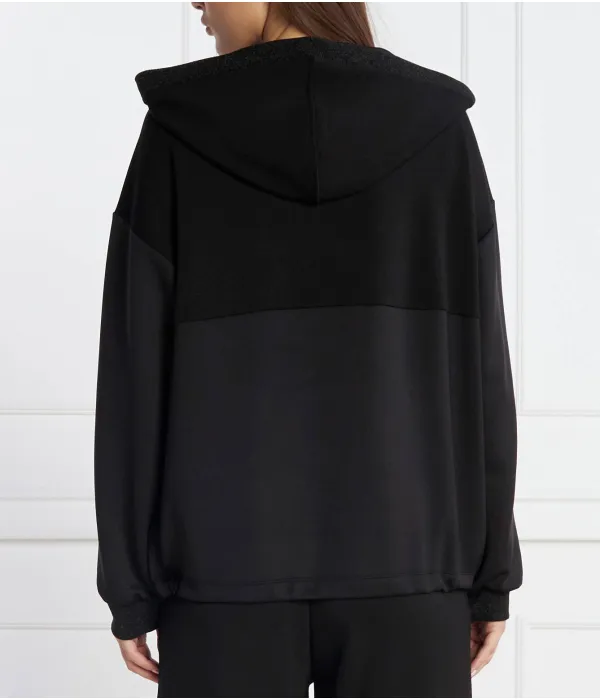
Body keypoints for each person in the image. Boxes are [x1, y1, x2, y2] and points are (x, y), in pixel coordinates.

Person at [93, 2, 523, 697]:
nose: (195, 2)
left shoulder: (178, 130)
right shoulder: (437, 126)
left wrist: (130, 587)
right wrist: (491, 575)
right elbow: (482, 373)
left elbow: (133, 374)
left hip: (219, 578)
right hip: (412, 569)